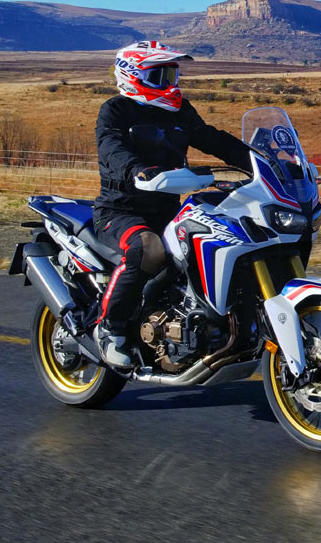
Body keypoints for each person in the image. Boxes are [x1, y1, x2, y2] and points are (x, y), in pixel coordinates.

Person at [92, 41, 250, 367]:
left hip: (167, 209)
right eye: (160, 75)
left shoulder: (180, 110)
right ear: (134, 75)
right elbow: (111, 147)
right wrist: (136, 169)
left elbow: (213, 139)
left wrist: (266, 163)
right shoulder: (116, 109)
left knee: (215, 241)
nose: (169, 83)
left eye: (172, 74)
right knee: (148, 249)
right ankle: (110, 328)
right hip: (121, 210)